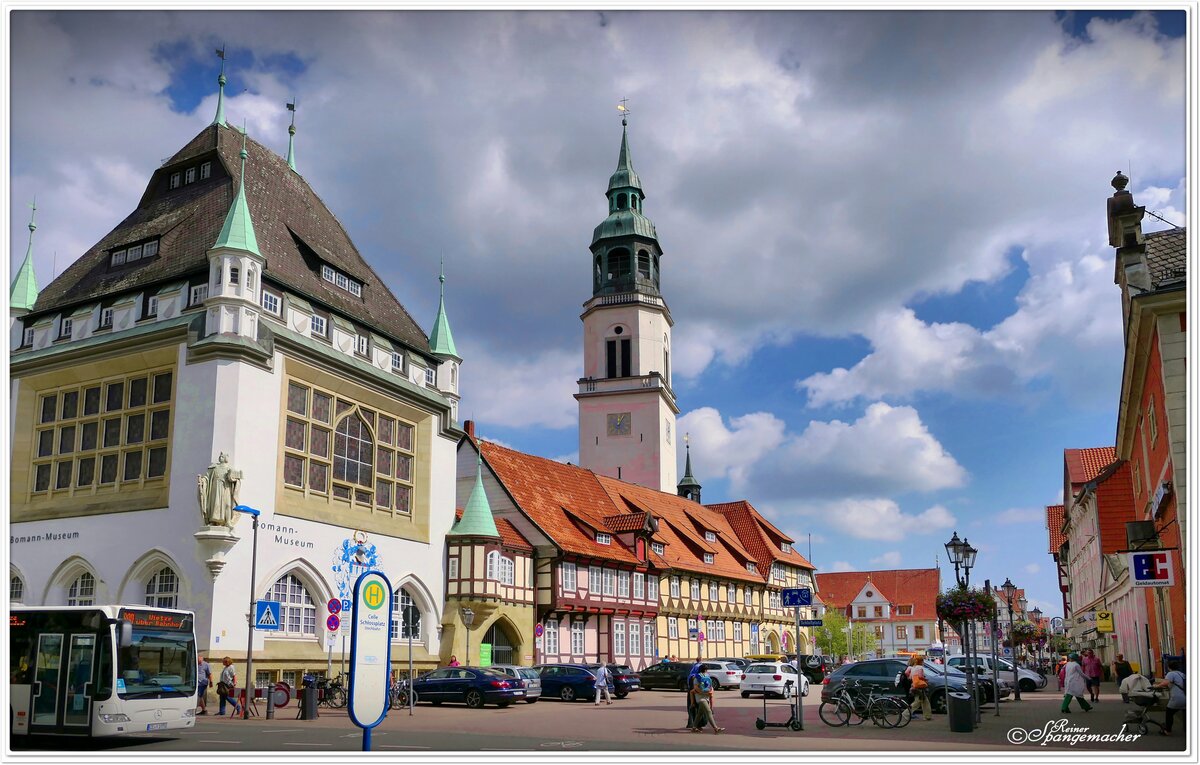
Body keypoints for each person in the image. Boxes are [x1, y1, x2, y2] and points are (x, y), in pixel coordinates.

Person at [689, 664, 725, 734]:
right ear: (705, 670)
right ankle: (716, 728)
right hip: (701, 699)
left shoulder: (703, 677)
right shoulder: (698, 678)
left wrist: (709, 692)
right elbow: (696, 688)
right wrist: (707, 693)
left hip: (706, 697)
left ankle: (694, 728)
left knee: (699, 714)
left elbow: (709, 687)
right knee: (708, 712)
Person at [1154, 659, 1185, 736]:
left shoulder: (1171, 673)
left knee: (1169, 713)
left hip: (1177, 698)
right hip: (1186, 697)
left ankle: (1168, 731)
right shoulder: (1182, 674)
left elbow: (1165, 683)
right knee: (1185, 714)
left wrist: (1156, 686)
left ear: (1168, 667)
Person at [905, 655, 932, 721]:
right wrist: (925, 679)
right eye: (923, 661)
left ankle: (927, 716)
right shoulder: (920, 667)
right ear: (921, 661)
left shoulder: (913, 667)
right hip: (920, 686)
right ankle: (906, 713)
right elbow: (920, 676)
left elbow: (910, 677)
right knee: (919, 701)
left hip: (915, 686)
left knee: (924, 701)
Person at [684, 658, 703, 730]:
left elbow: (689, 684)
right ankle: (697, 724)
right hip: (696, 693)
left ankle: (690, 723)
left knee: (691, 707)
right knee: (698, 708)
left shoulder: (691, 672)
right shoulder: (698, 676)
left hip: (690, 692)